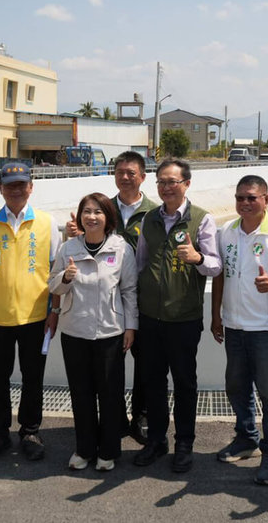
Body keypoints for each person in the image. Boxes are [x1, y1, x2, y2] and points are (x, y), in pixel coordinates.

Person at [0, 162, 61, 465]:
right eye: (10, 185)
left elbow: (58, 272)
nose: (16, 190)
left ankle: (30, 431)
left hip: (36, 316)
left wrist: (54, 310)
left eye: (22, 185)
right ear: (1, 189)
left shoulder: (47, 223)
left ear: (31, 187)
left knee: (34, 377)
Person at [132, 158, 222, 473]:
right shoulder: (149, 220)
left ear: (186, 183)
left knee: (185, 383)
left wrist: (198, 257)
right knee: (152, 381)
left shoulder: (202, 220)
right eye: (161, 182)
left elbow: (215, 265)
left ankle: (185, 442)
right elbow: (141, 262)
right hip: (150, 317)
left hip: (183, 317)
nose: (167, 187)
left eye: (172, 182)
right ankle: (157, 440)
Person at [210, 175, 268, 485]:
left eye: (251, 198)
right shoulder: (227, 232)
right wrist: (216, 315)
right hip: (234, 326)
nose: (245, 204)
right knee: (236, 386)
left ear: (266, 200)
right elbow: (220, 276)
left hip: (267, 329)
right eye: (240, 198)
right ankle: (247, 438)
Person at [65, 151, 157, 444]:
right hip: (106, 300)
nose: (125, 177)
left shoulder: (154, 213)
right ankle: (114, 419)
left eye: (131, 172)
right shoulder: (103, 208)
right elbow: (87, 241)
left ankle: (140, 415)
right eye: (120, 172)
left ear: (143, 176)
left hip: (146, 298)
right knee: (109, 370)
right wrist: (78, 232)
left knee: (144, 361)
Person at [50, 193, 138, 472]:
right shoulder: (68, 249)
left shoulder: (121, 248)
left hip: (111, 332)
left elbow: (129, 291)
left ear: (108, 218)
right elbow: (53, 287)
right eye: (86, 211)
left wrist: (131, 327)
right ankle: (84, 449)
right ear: (79, 217)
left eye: (98, 212)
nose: (91, 217)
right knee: (81, 393)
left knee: (110, 394)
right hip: (75, 331)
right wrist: (65, 277)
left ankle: (108, 451)